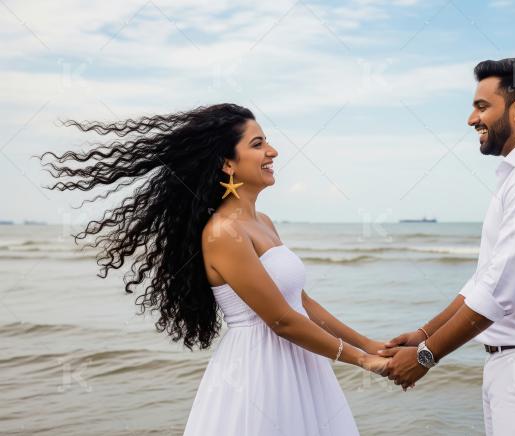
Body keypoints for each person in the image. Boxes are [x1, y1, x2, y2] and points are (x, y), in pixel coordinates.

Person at [39, 104, 389, 436]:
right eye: (258, 144)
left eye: (266, 141)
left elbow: (302, 304)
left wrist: (369, 344)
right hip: (259, 372)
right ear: (227, 164)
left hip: (301, 364)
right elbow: (281, 320)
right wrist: (360, 360)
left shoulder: (263, 222)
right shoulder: (225, 232)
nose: (273, 151)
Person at [380, 58, 515, 435]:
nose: (471, 119)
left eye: (482, 107)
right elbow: (488, 276)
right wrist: (425, 334)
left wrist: (426, 357)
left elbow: (500, 290)